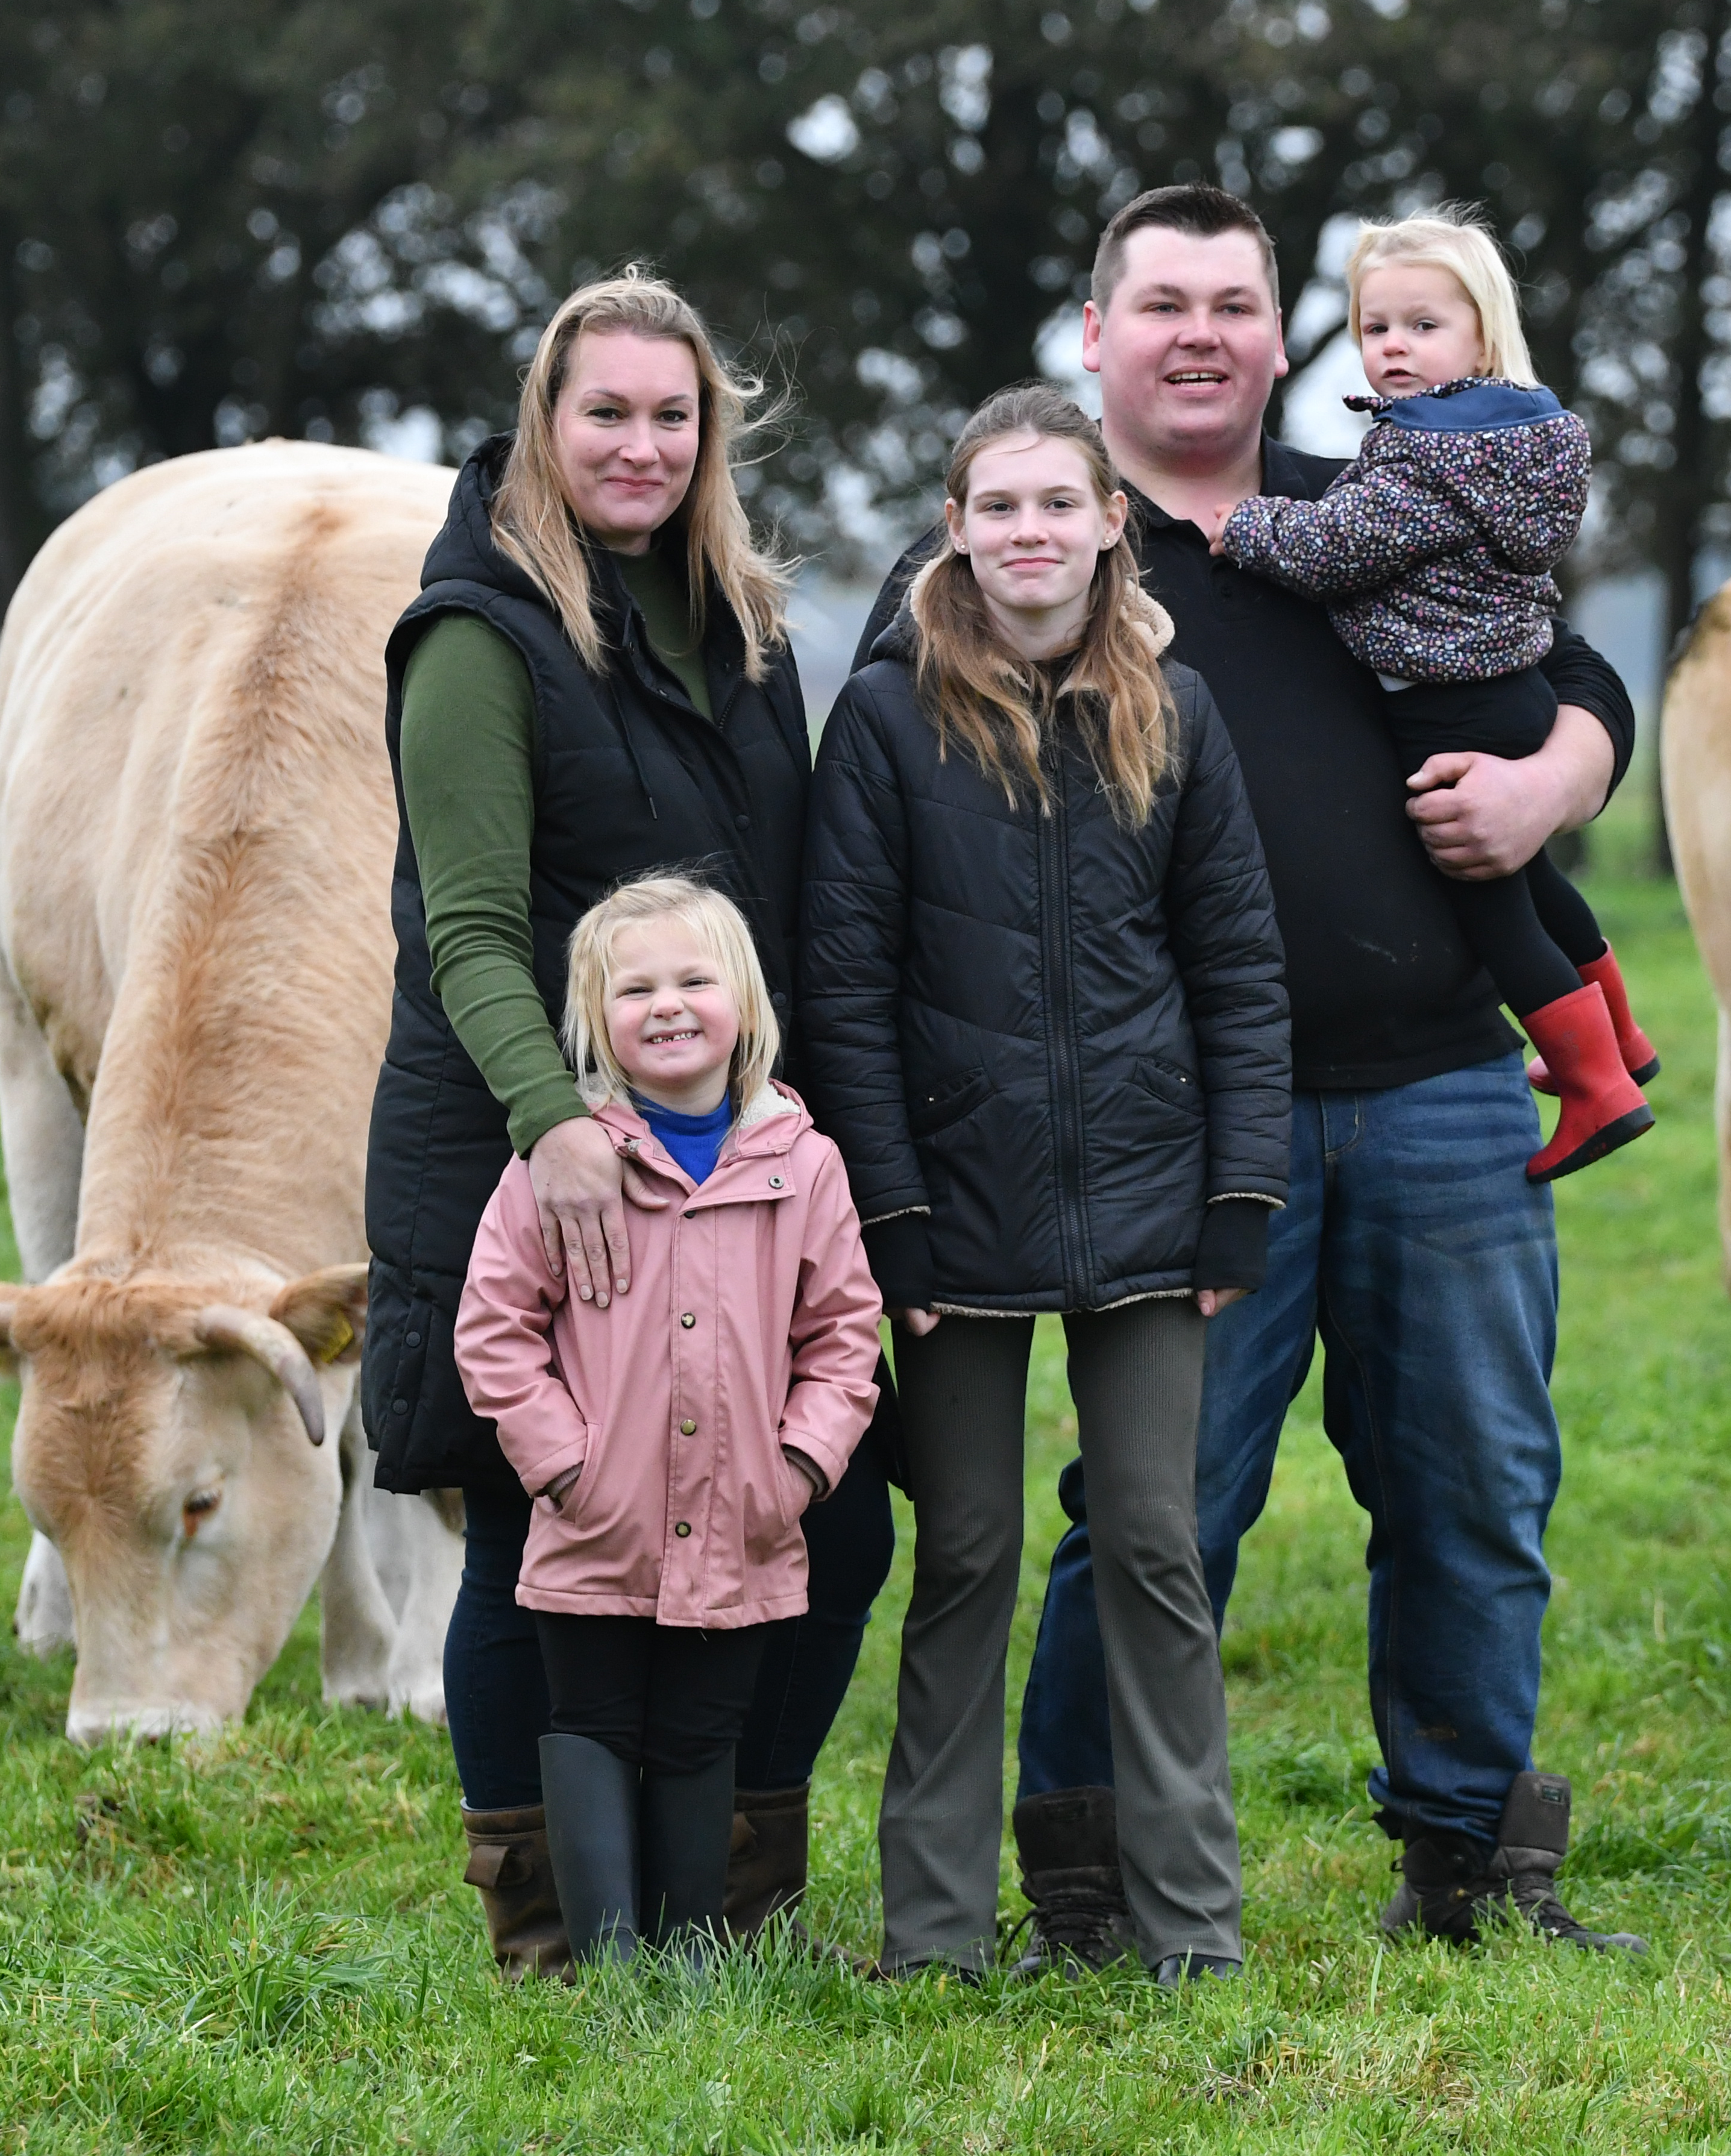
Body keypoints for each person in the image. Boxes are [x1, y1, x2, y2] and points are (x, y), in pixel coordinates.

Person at [854, 186, 1646, 1966]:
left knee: (1474, 1486)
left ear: (1279, 334)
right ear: (1094, 333)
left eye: (1235, 303)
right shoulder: (1043, 537)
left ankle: (1472, 1862)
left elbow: (1568, 659)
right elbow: (899, 790)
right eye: (1165, 305)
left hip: (1443, 1081)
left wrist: (1557, 780)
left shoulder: (1369, 499)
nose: (1202, 334)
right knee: (1157, 1510)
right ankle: (1085, 1880)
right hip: (1178, 1123)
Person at [360, 269, 896, 1978]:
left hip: (719, 1159)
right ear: (545, 422)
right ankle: (553, 1925)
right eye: (608, 412)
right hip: (533, 1143)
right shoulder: (478, 635)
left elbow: (781, 908)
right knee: (546, 1531)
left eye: (676, 416)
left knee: (826, 1511)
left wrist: (796, 1141)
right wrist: (555, 1126)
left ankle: (722, 1895)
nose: (643, 445)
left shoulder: (738, 624)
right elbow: (462, 925)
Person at [797, 382, 1292, 1985]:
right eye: (997, 508)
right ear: (956, 530)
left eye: (1056, 506)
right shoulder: (882, 719)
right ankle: (933, 1935)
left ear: (1105, 526)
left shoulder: (1179, 708)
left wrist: (1241, 1193)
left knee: (1156, 1543)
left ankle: (1189, 1928)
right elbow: (844, 988)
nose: (1029, 534)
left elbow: (1236, 966)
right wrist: (891, 1215)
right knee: (967, 1557)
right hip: (948, 1217)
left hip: (1154, 1211)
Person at [455, 877, 882, 1964]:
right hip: (598, 1521)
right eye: (634, 989)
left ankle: (691, 1955)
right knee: (595, 1721)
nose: (669, 1005)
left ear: (743, 1000)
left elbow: (843, 1336)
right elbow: (495, 1326)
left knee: (703, 1733)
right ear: (595, 1022)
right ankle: (606, 1963)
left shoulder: (805, 1163)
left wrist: (799, 1469)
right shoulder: (561, 1168)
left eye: (694, 980)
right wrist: (563, 1467)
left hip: (746, 1522)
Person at [1214, 207, 1658, 1183]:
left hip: (1447, 706)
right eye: (1377, 329)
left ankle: (1595, 1091)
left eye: (1423, 327)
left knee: (1494, 910)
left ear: (1483, 336)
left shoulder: (1427, 455)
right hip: (1503, 688)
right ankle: (1621, 1040)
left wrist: (1243, 529)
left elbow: (1338, 547)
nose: (1394, 349)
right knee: (1541, 885)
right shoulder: (1513, 444)